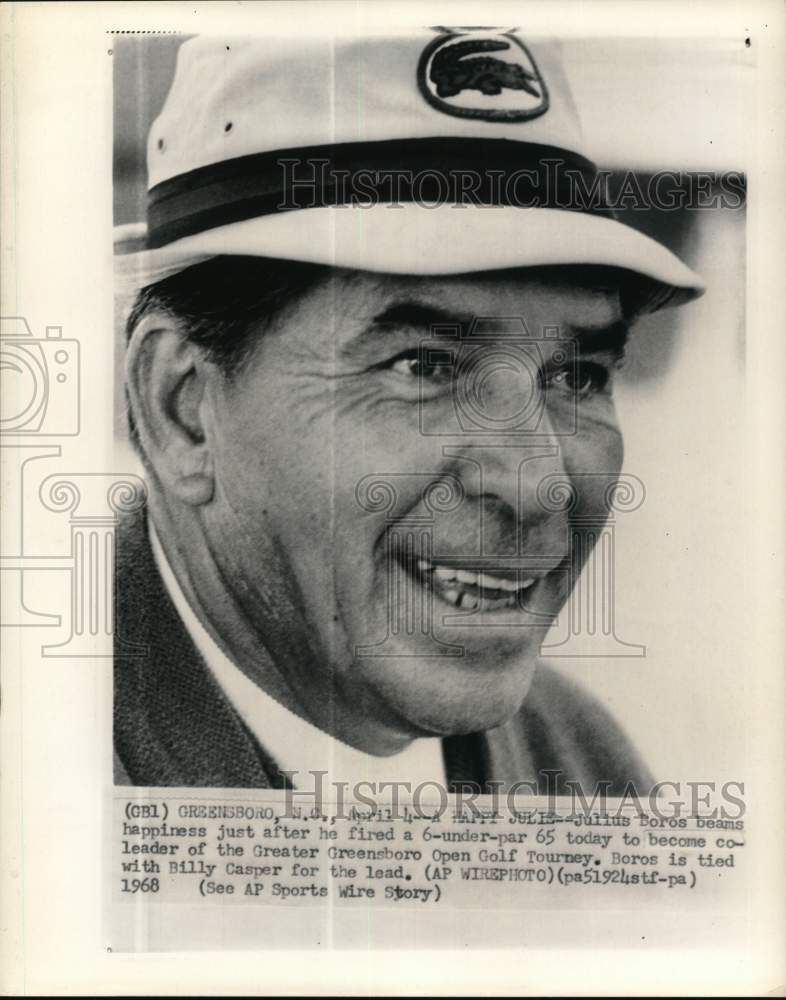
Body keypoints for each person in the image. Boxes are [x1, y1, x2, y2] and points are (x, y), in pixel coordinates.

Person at [113, 30, 703, 793]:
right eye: (425, 367)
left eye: (578, 375)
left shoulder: (586, 767)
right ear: (181, 410)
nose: (537, 483)